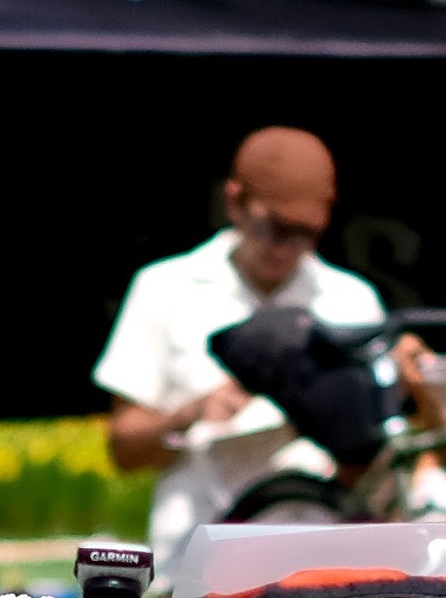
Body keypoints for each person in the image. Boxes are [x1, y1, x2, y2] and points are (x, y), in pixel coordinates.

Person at [94, 127, 388, 557]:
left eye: (303, 232)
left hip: (323, 558)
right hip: (197, 562)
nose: (284, 248)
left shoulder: (352, 301)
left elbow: (382, 461)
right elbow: (123, 450)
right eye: (274, 227)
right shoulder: (164, 288)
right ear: (234, 202)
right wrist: (191, 414)